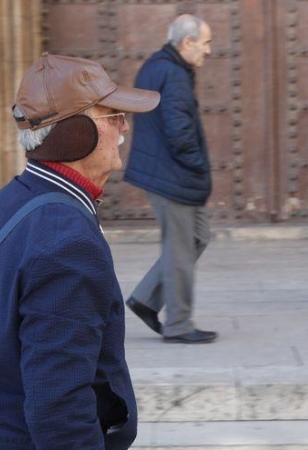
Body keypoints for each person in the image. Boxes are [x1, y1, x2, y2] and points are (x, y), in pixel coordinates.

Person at [0, 53, 160, 449]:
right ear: (75, 134)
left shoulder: (5, 203)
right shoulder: (68, 243)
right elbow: (59, 405)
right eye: (112, 116)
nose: (124, 128)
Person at [123, 15, 217, 344]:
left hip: (165, 171)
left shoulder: (159, 66)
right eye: (205, 43)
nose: (208, 51)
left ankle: (146, 298)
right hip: (172, 174)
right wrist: (198, 167)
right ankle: (178, 324)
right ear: (186, 43)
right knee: (180, 247)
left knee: (198, 236)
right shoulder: (173, 73)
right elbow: (179, 133)